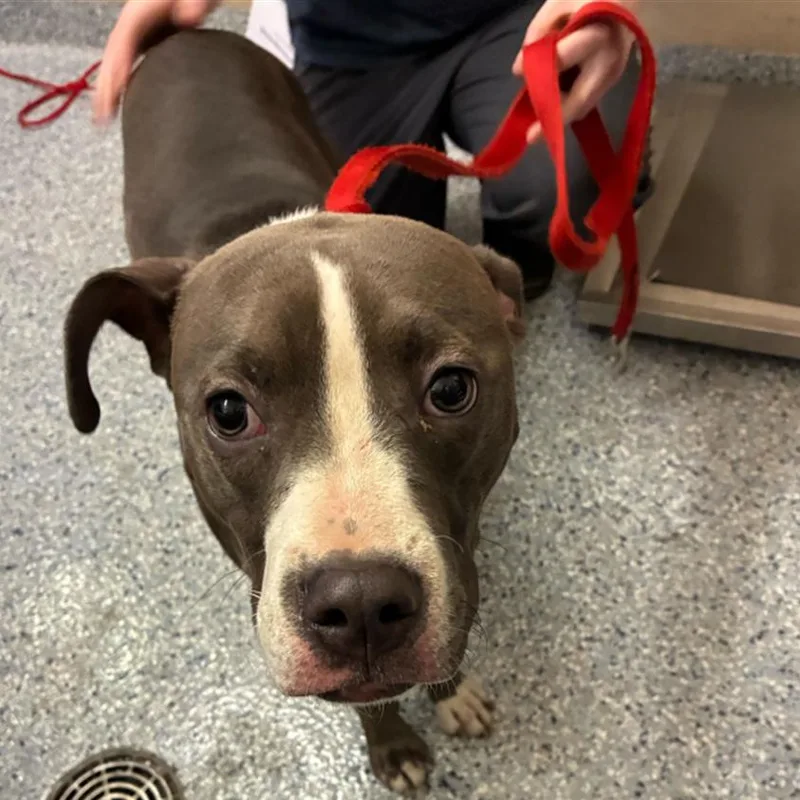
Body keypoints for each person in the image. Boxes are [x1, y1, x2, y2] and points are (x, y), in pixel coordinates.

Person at [94, 0, 652, 299]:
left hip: (516, 16)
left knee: (559, 184)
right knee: (356, 259)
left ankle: (521, 257)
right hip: (352, 46)